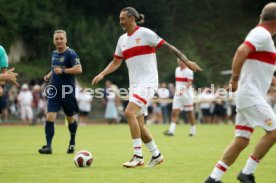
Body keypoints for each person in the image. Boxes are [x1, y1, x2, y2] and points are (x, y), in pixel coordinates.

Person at [92, 7, 201, 168]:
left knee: (128, 112)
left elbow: (169, 47)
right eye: (119, 18)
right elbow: (116, 62)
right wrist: (102, 74)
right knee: (139, 124)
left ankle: (138, 156)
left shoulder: (146, 34)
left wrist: (186, 61)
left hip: (148, 82)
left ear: (132, 19)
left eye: (123, 18)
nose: (120, 21)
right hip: (135, 85)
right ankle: (156, 155)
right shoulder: (122, 40)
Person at [205, 3, 276, 183]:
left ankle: (213, 179)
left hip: (250, 95)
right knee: (275, 131)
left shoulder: (264, 38)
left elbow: (259, 70)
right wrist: (234, 79)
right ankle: (247, 173)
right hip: (250, 95)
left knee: (242, 140)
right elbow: (241, 51)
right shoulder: (261, 33)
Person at [38, 30, 82, 154]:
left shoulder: (71, 53)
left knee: (70, 118)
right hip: (54, 91)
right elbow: (55, 69)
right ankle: (48, 146)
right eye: (56, 39)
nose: (58, 41)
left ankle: (72, 141)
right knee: (50, 117)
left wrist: (63, 71)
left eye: (61, 38)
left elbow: (79, 69)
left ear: (65, 40)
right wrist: (49, 74)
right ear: (53, 40)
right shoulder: (54, 53)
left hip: (67, 92)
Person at [164, 59, 196, 136]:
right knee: (174, 112)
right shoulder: (177, 69)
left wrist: (182, 90)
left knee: (189, 112)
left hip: (187, 95)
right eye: (179, 61)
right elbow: (178, 83)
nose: (180, 62)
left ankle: (193, 130)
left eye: (181, 61)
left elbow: (189, 83)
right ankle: (171, 131)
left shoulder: (189, 70)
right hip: (178, 95)